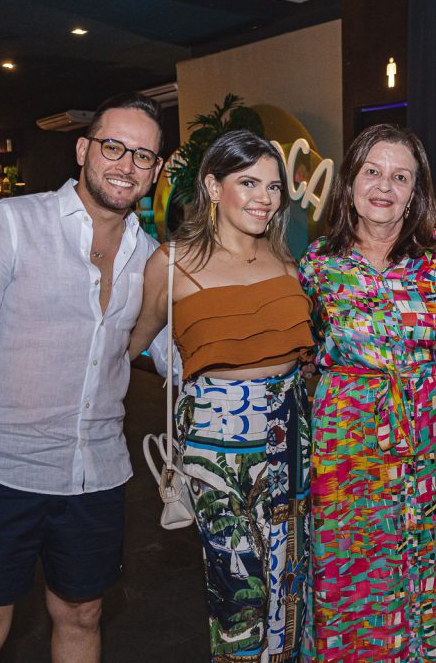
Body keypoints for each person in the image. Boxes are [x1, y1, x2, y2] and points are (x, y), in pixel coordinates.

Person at [0, 92, 164, 662]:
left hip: (97, 475)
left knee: (82, 614)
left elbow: (179, 356)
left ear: (156, 172)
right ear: (83, 149)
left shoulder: (152, 257)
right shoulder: (10, 223)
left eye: (143, 156)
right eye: (114, 146)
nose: (126, 165)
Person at [129, 130, 314, 662]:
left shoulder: (284, 258)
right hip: (218, 448)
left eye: (274, 186)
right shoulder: (170, 263)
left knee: (290, 579)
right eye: (248, 182)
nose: (264, 197)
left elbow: (303, 357)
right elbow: (133, 343)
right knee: (238, 590)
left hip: (291, 435)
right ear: (213, 186)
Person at [299, 123, 436, 661]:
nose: (384, 186)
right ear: (349, 182)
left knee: (427, 575)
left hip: (429, 450)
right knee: (353, 575)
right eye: (372, 171)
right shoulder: (318, 264)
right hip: (346, 454)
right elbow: (301, 357)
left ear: (417, 191)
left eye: (400, 176)